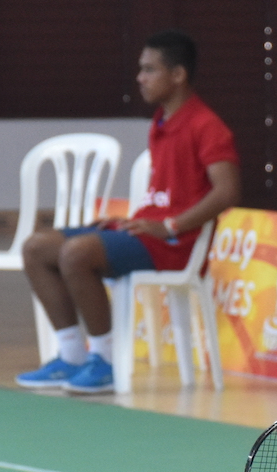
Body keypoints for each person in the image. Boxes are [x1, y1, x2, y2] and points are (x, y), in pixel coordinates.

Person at [15, 31, 241, 394]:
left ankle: (104, 362)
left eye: (149, 70)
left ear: (178, 75)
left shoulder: (207, 126)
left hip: (173, 243)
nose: (140, 78)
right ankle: (71, 355)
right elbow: (165, 194)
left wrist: (169, 226)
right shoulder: (161, 122)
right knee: (36, 247)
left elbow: (228, 191)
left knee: (77, 253)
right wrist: (130, 220)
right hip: (147, 232)